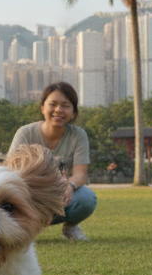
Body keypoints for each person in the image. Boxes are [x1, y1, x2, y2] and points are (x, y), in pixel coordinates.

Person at [8, 81, 97, 241]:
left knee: (87, 198)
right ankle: (24, 230)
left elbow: (80, 175)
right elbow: (10, 171)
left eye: (65, 105)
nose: (59, 110)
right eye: (53, 104)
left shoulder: (78, 135)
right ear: (42, 108)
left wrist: (69, 185)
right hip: (30, 198)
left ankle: (70, 228)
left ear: (73, 112)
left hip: (61, 198)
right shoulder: (25, 133)